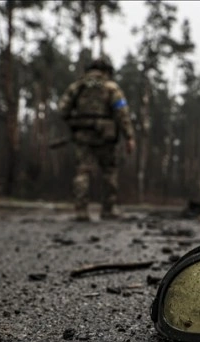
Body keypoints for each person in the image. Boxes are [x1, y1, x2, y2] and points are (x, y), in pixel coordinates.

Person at [58, 56, 136, 221]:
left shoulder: (77, 87)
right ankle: (108, 209)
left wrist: (76, 122)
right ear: (107, 71)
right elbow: (122, 113)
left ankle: (81, 211)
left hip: (82, 136)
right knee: (109, 172)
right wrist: (129, 136)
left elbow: (62, 109)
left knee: (82, 172)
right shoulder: (111, 88)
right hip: (105, 137)